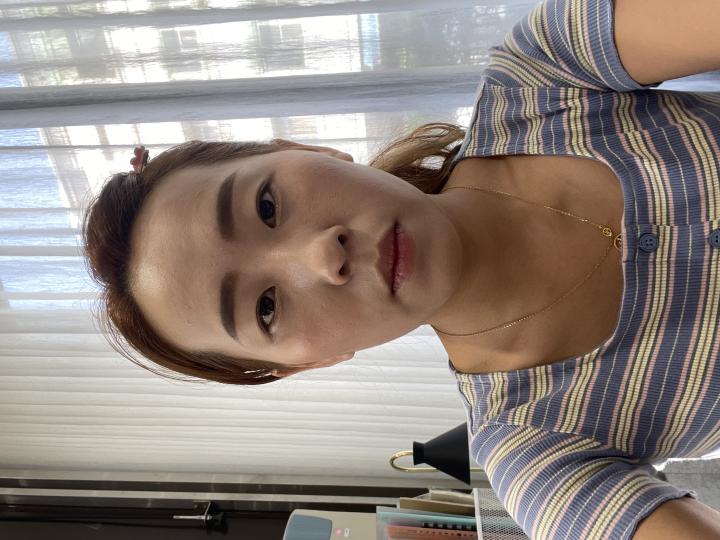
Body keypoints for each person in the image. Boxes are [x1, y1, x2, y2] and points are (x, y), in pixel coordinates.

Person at [82, 0, 720, 538]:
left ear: (302, 149)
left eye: (266, 206)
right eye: (265, 308)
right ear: (307, 362)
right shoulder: (538, 452)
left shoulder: (539, 75)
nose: (322, 256)